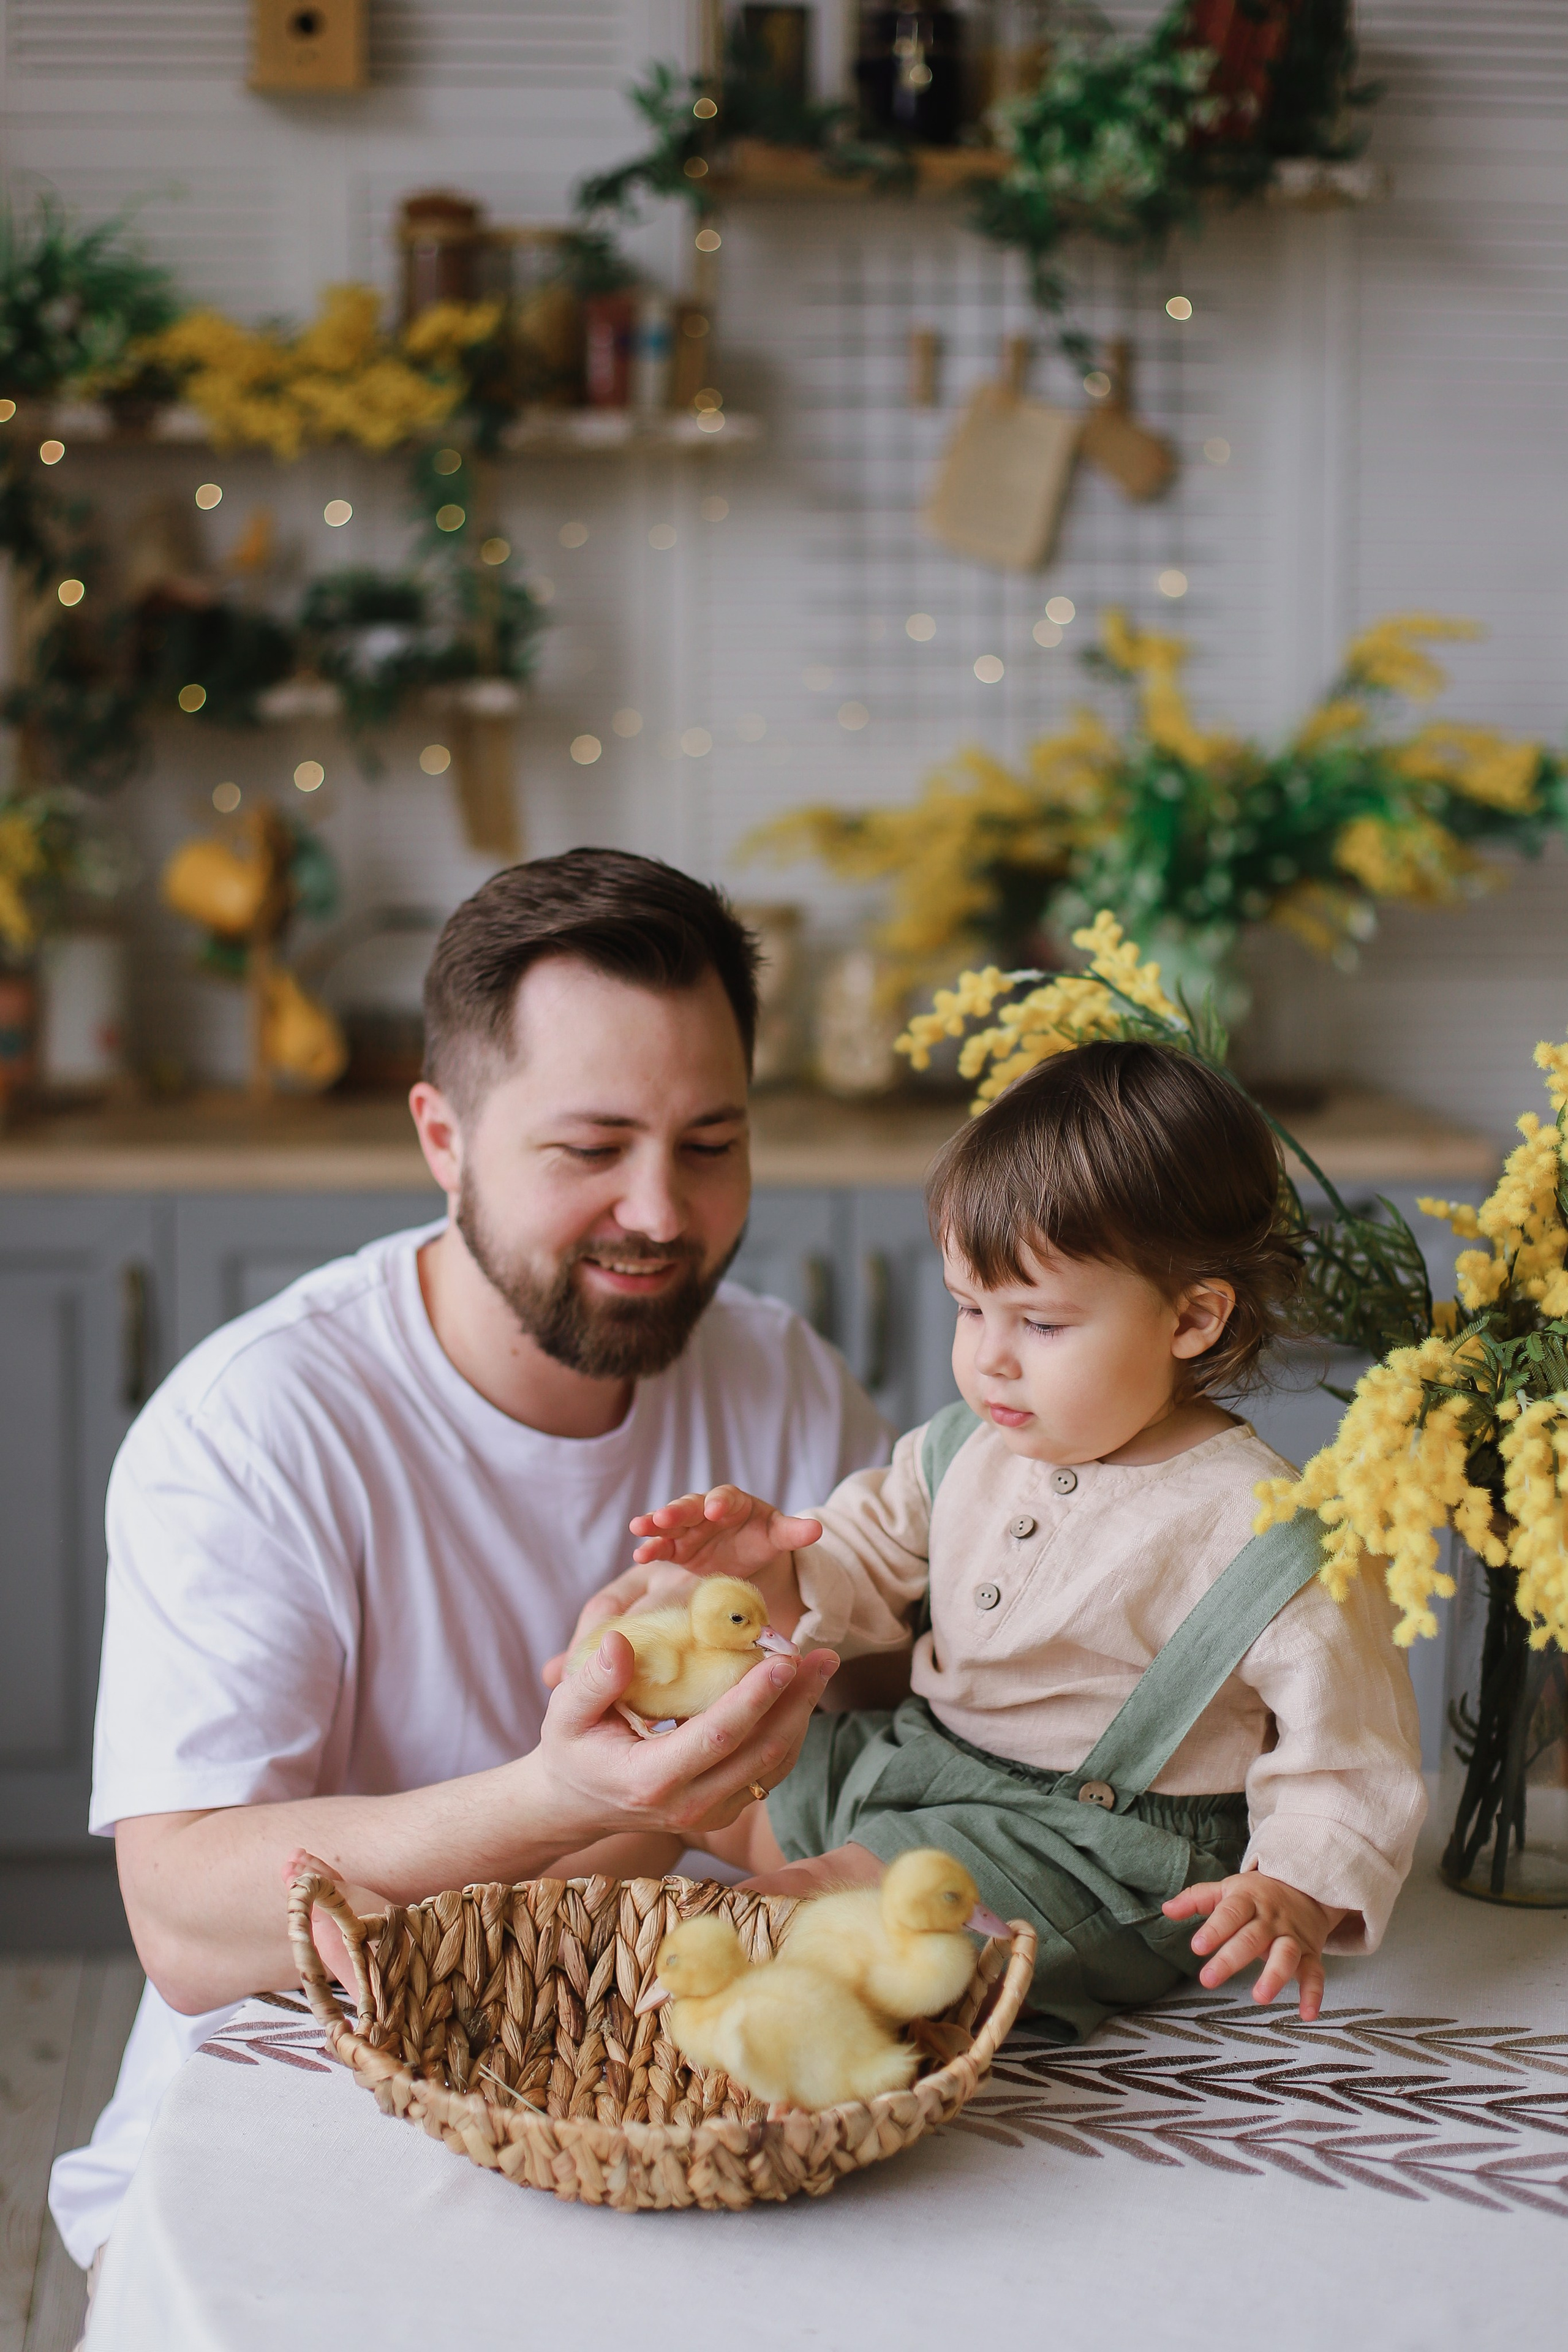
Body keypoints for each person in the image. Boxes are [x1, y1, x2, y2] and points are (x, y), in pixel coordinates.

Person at [49, 849, 886, 2271]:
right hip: (310, 2110)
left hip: (673, 2099)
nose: (662, 1215)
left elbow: (891, 1730)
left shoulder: (780, 1380)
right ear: (441, 1137)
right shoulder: (259, 1425)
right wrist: (565, 1796)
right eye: (588, 1148)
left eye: (709, 1143)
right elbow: (186, 1919)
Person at [584, 1041, 1428, 2040]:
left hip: (1087, 1850)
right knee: (672, 1781)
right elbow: (854, 1560)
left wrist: (1296, 1887)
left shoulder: (1273, 1537)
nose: (989, 1358)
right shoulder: (962, 1450)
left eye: (1040, 1323)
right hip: (918, 1765)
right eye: (969, 1307)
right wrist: (768, 1561)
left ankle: (646, 2030)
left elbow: (1352, 1759)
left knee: (821, 1906)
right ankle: (497, 1936)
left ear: (1193, 1317)